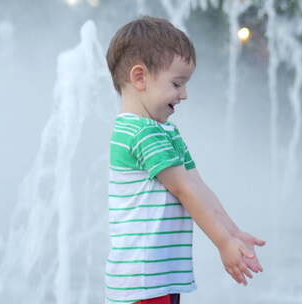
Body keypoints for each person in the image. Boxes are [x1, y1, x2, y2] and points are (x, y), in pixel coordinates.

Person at [104, 16, 266, 304]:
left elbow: (197, 185)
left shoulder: (164, 131)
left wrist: (233, 231)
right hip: (142, 281)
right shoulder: (140, 132)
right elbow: (184, 190)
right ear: (140, 77)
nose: (184, 94)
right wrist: (223, 243)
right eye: (177, 83)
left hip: (160, 277)